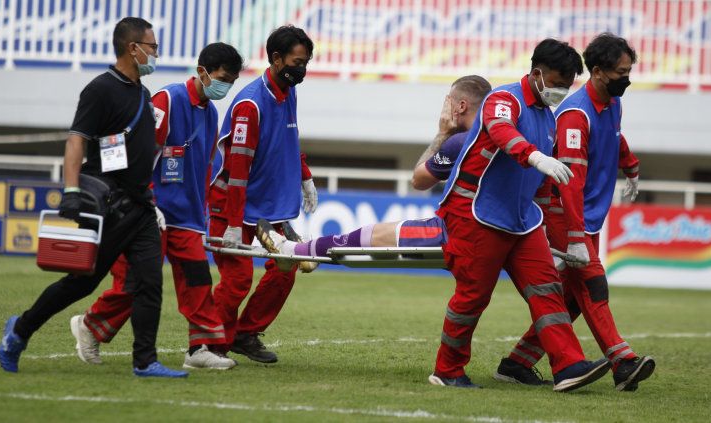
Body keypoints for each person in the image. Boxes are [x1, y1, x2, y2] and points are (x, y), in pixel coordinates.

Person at [0, 17, 187, 378]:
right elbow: (76, 140)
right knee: (81, 283)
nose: (156, 54)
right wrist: (70, 192)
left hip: (142, 207)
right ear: (134, 48)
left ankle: (145, 361)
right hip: (110, 206)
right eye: (153, 47)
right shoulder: (100, 90)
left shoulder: (142, 93)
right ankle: (19, 330)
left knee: (149, 283)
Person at [429, 39, 611, 392]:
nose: (561, 89)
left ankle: (569, 366)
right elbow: (501, 133)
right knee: (472, 297)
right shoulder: (503, 100)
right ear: (537, 72)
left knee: (547, 291)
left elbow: (540, 183)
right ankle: (447, 370)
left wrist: (556, 228)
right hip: (475, 214)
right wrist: (534, 156)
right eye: (558, 81)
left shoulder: (547, 117)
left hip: (523, 221)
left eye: (568, 83)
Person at [67, 43, 244, 371]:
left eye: (232, 81)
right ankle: (91, 325)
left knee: (198, 281)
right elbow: (141, 153)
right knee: (136, 284)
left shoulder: (212, 113)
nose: (226, 87)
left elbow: (204, 166)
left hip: (188, 217)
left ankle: (199, 348)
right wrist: (145, 197)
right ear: (202, 71)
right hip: (151, 211)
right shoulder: (167, 100)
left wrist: (201, 212)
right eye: (222, 78)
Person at [495, 33, 655, 391]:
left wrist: (630, 166)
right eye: (621, 71)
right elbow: (569, 182)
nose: (626, 78)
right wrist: (574, 236)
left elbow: (615, 136)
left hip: (587, 216)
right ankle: (623, 361)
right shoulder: (574, 115)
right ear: (597, 72)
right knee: (593, 284)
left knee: (572, 300)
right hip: (565, 215)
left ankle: (517, 363)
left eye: (629, 70)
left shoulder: (611, 102)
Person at [255, 76, 492, 266]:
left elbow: (418, 180)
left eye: (447, 101)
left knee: (373, 235)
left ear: (460, 106)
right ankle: (306, 251)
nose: (444, 107)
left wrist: (443, 133)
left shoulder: (461, 141)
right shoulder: (499, 138)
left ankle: (295, 251)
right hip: (498, 233)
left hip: (458, 232)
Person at [207, 25, 316, 364]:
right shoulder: (250, 105)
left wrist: (305, 178)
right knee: (238, 279)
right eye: (298, 62)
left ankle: (244, 334)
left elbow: (289, 140)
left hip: (267, 209)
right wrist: (232, 223)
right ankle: (208, 346)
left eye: (307, 62)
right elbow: (237, 173)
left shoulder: (289, 91)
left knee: (286, 266)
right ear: (276, 58)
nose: (303, 69)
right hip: (232, 206)